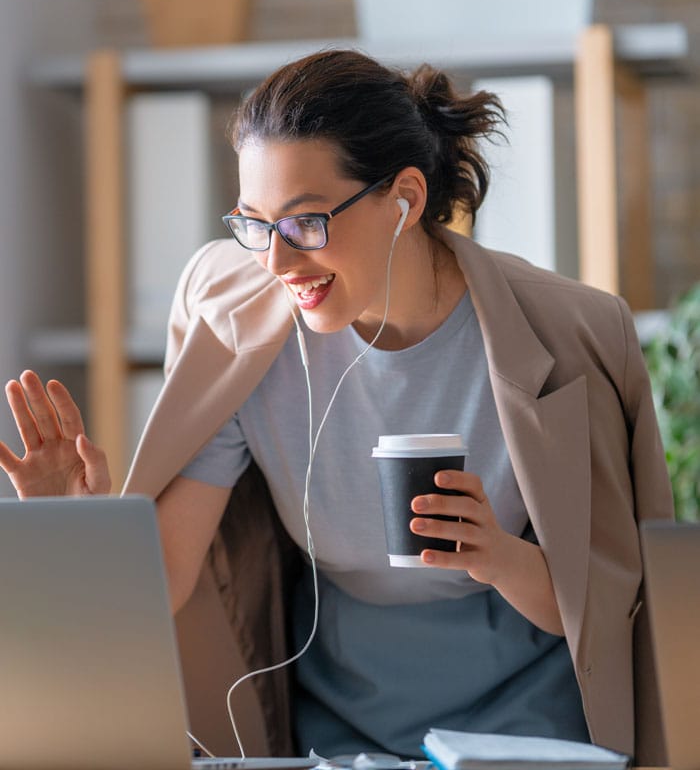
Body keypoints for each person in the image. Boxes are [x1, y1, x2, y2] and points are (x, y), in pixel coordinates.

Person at [0, 49, 673, 764]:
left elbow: (610, 610)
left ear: (404, 198)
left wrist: (500, 557)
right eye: (254, 224)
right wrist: (73, 530)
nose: (276, 262)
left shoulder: (568, 335)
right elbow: (165, 577)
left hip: (524, 716)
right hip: (335, 718)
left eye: (305, 223)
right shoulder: (238, 333)